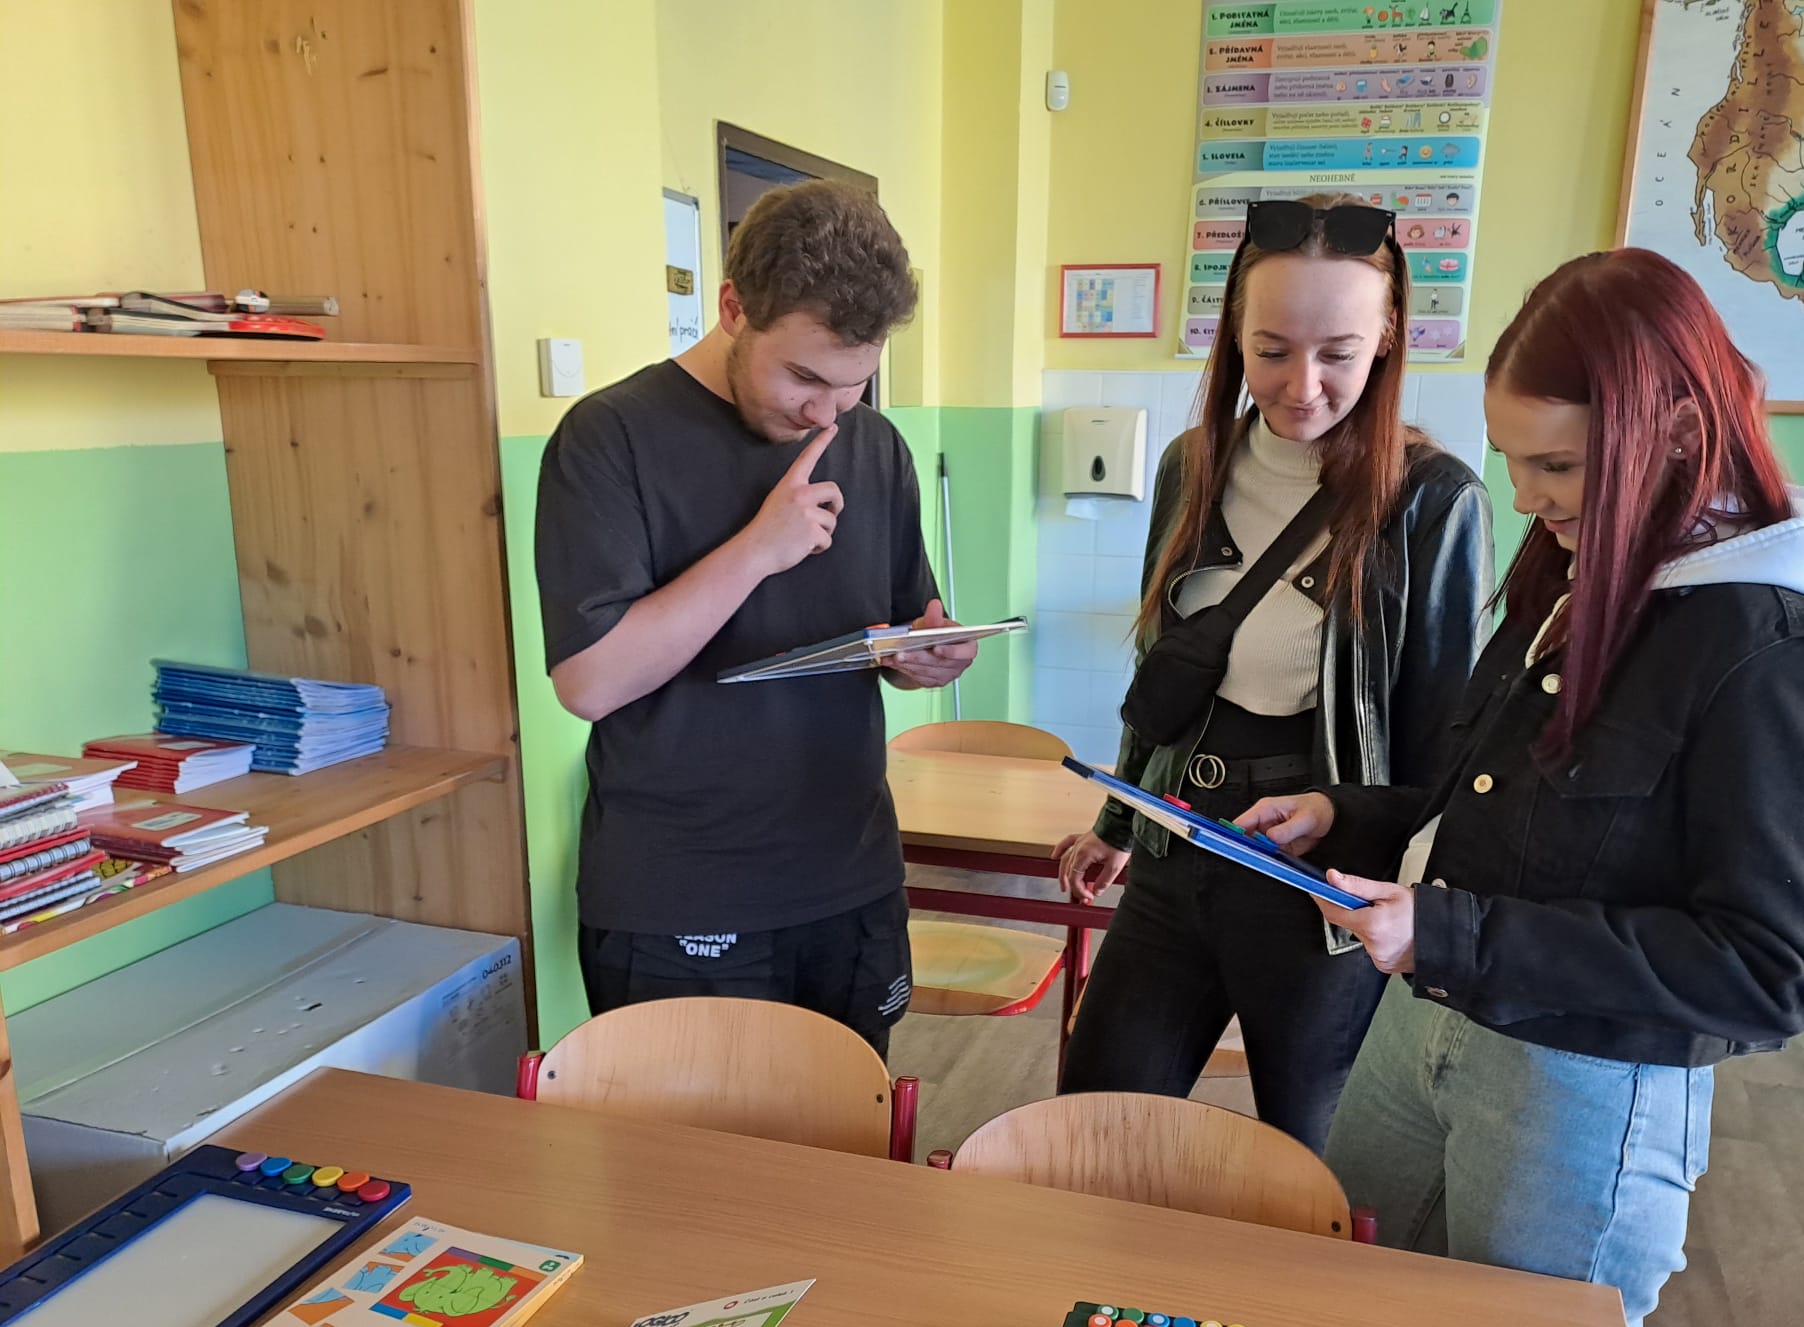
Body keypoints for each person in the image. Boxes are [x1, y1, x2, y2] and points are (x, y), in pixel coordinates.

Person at [1239, 247, 1804, 1327]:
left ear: (1676, 433)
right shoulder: (1575, 569)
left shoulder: (1777, 647)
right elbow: (1504, 813)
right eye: (1513, 463)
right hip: (1427, 1025)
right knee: (1346, 1319)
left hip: (1582, 1083)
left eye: (1560, 466)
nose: (1528, 500)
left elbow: (1773, 970)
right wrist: (1350, 817)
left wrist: (1451, 931)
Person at [1053, 194, 1493, 1149]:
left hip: (1320, 880)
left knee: (1311, 1151)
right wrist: (1120, 821)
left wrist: (1411, 903)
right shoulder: (1194, 465)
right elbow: (1164, 668)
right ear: (1233, 339)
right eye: (1271, 350)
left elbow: (1443, 751)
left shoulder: (1434, 500)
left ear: (1389, 337)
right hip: (1180, 840)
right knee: (1094, 1121)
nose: (1302, 385)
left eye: (1338, 353)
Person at [534, 180, 976, 1058]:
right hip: (680, 894)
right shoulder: (610, 437)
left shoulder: (875, 445)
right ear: (733, 308)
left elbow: (894, 630)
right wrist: (757, 550)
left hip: (850, 877)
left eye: (852, 384)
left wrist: (925, 656)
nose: (824, 414)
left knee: (848, 1128)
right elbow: (589, 683)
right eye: (802, 377)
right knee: (687, 1150)